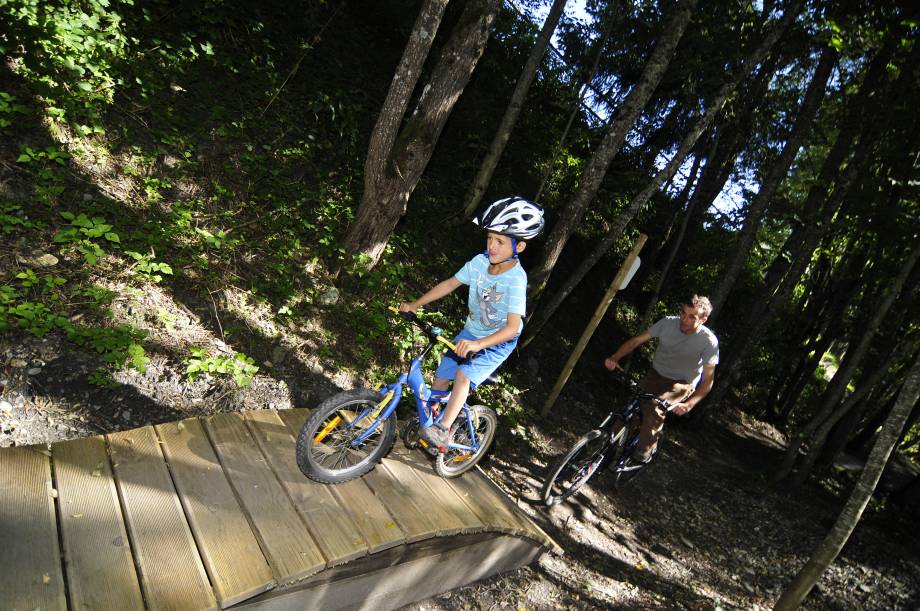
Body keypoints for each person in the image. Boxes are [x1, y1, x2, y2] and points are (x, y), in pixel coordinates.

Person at [399, 197, 545, 452]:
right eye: (490, 238)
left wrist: (478, 345)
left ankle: (443, 429)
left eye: (500, 241)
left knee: (463, 375)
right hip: (472, 332)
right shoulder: (479, 263)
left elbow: (512, 327)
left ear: (519, 246)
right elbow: (450, 284)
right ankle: (432, 417)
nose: (492, 245)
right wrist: (415, 304)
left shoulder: (516, 279)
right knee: (442, 376)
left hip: (498, 342)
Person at [603, 295, 719, 462]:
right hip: (655, 374)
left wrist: (689, 404)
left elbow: (708, 380)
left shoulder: (709, 342)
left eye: (691, 317)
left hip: (682, 383)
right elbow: (636, 341)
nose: (684, 319)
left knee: (654, 405)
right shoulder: (668, 323)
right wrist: (615, 358)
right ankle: (604, 450)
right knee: (632, 407)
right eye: (683, 313)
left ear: (703, 319)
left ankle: (645, 450)